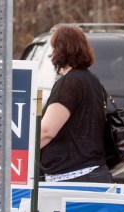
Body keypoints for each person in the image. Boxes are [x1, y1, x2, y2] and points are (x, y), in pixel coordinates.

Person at [39, 24, 111, 183]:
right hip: (94, 172)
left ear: (60, 50)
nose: (51, 54)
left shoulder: (69, 83)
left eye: (53, 48)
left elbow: (46, 131)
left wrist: (19, 150)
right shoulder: (92, 80)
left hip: (74, 177)